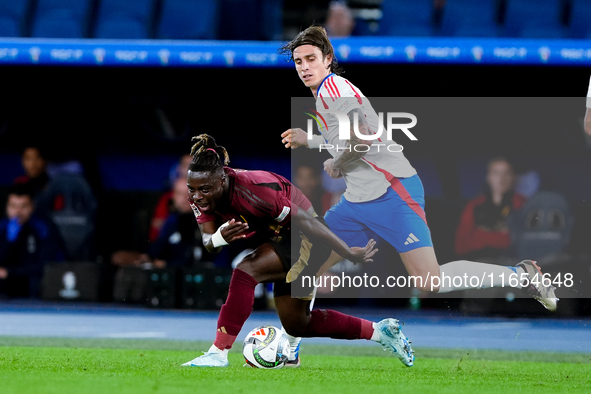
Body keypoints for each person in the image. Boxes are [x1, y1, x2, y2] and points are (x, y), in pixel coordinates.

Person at [279, 26, 558, 311]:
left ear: (327, 58)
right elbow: (347, 136)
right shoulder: (324, 93)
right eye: (299, 62)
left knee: (429, 280)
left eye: (311, 59)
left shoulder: (335, 89)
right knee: (308, 269)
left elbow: (362, 138)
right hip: (357, 201)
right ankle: (290, 352)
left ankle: (521, 276)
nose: (304, 67)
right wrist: (312, 140)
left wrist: (337, 164)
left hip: (393, 191)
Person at [180, 134, 414, 368]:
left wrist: (347, 252)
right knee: (297, 324)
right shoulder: (199, 193)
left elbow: (308, 222)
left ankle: (218, 352)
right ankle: (380, 332)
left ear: (222, 180)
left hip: (306, 235)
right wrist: (219, 236)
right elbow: (209, 242)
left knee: (246, 270)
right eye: (192, 189)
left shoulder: (256, 191)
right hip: (280, 238)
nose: (197, 196)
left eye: (204, 190)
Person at [0, 184, 65, 298]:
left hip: (32, 286)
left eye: (23, 206)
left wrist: (10, 272)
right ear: (6, 208)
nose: (18, 212)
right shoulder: (2, 227)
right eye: (13, 206)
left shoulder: (43, 228)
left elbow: (45, 265)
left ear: (32, 207)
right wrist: (9, 241)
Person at [455, 157, 526, 259]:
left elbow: (522, 243)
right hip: (479, 263)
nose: (502, 178)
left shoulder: (522, 204)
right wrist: (501, 235)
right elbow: (460, 246)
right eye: (496, 173)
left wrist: (480, 235)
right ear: (489, 177)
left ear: (513, 177)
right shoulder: (474, 205)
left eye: (506, 173)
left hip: (512, 263)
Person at [149, 154, 193, 241]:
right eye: (187, 165)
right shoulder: (166, 198)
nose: (191, 170)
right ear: (179, 168)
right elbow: (156, 230)